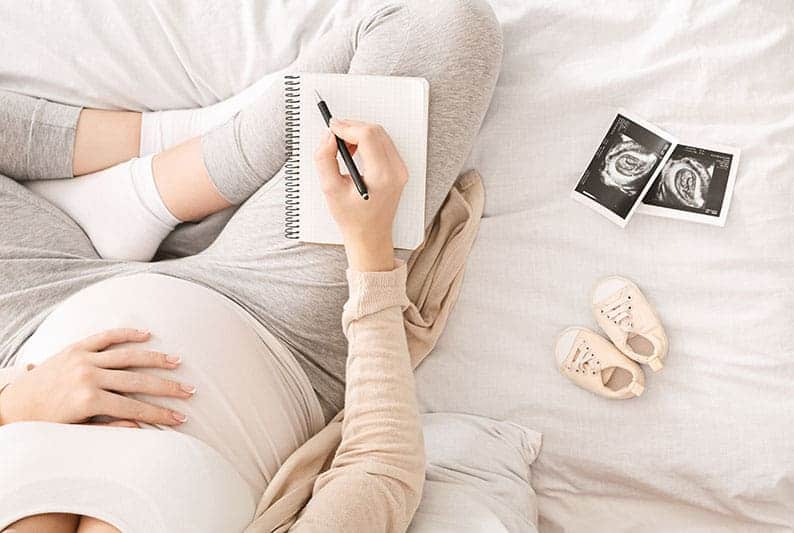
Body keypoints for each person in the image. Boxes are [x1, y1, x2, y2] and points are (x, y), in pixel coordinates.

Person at [0, 1, 502, 531]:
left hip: (36, 321)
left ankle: (158, 182)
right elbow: (379, 472)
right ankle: (185, 171)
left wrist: (13, 405)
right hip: (276, 329)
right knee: (440, 25)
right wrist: (371, 254)